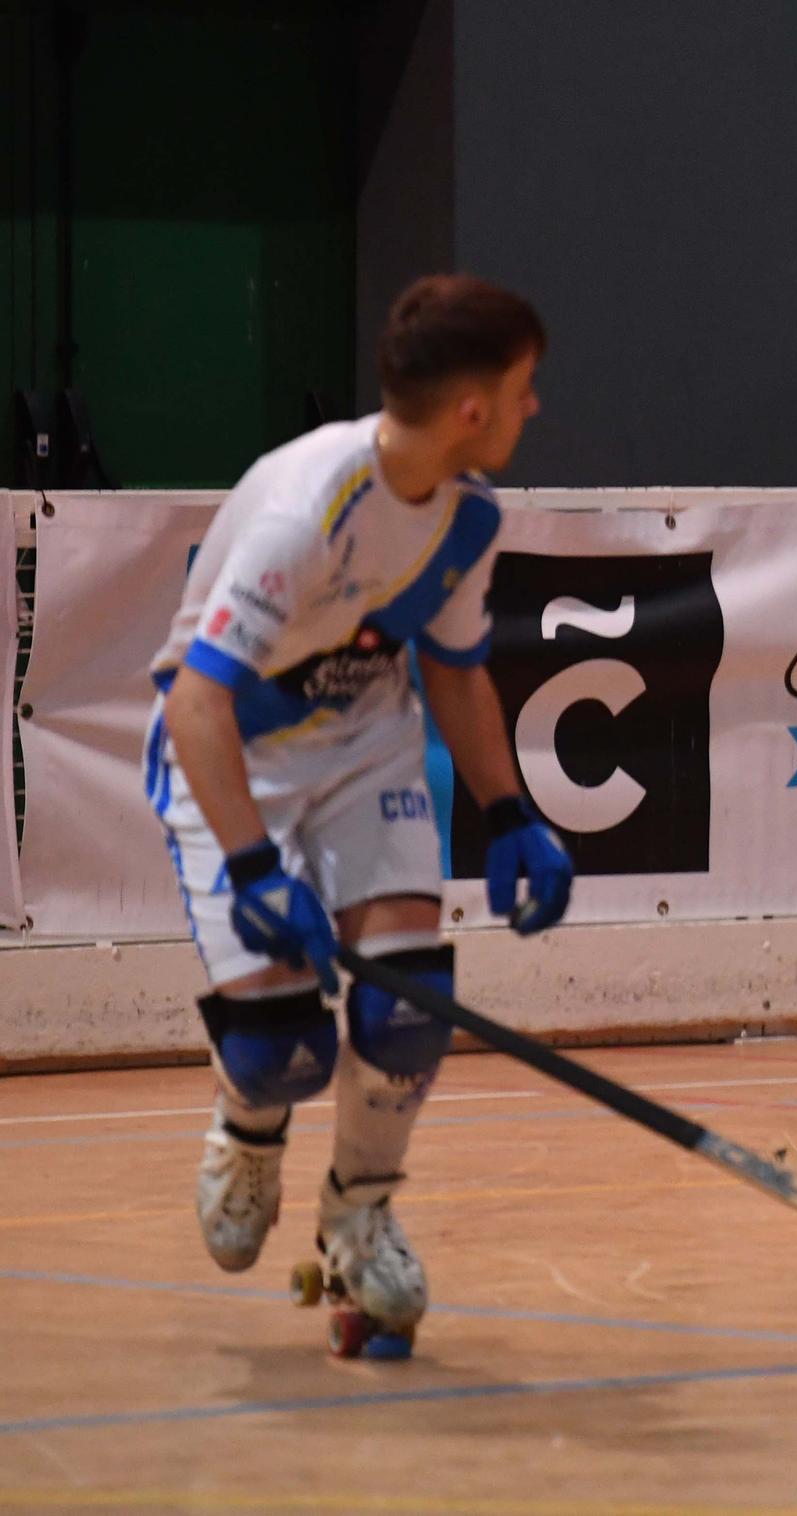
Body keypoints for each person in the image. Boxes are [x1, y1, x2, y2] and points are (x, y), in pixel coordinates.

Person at [145, 274, 574, 1355]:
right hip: (231, 742)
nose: (535, 409)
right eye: (525, 390)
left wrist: (509, 810)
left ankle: (358, 1210)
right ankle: (250, 1133)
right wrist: (251, 867)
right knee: (281, 1048)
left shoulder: (467, 516)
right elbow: (197, 697)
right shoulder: (309, 511)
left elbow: (458, 670)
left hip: (364, 740)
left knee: (406, 1003)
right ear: (472, 408)